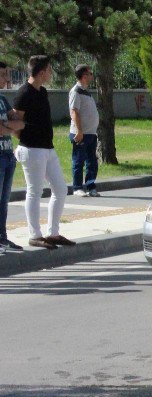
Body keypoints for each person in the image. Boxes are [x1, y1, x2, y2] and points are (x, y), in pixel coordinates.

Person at [13, 55, 73, 250]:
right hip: (31, 149)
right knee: (34, 191)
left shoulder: (43, 91)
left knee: (60, 189)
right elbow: (15, 124)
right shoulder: (23, 93)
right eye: (49, 69)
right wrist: (26, 140)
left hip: (47, 148)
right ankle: (34, 235)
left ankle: (53, 233)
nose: (51, 73)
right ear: (40, 73)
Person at [0, 61, 26, 253]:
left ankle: (2, 237)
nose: (7, 79)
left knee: (4, 201)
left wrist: (7, 125)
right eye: (3, 74)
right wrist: (9, 126)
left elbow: (21, 122)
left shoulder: (2, 99)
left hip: (8, 155)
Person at [69, 64, 100, 197]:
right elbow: (74, 112)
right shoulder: (76, 91)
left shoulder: (86, 91)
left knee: (92, 162)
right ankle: (77, 187)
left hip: (91, 133)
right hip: (81, 133)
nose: (92, 76)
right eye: (90, 73)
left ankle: (90, 186)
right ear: (84, 75)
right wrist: (79, 130)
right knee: (79, 160)